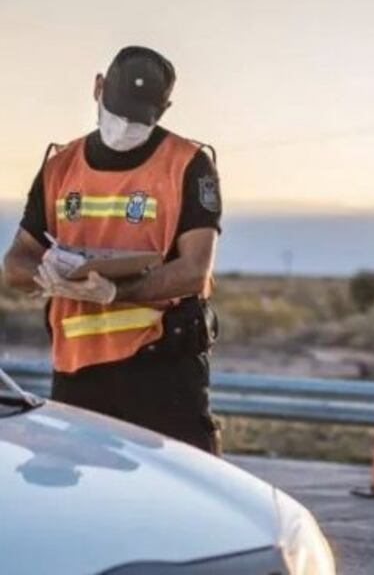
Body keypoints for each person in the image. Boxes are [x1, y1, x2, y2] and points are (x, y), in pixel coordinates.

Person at [2, 46, 223, 454]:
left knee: (182, 504)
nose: (123, 127)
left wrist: (116, 293)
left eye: (138, 119)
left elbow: (195, 270)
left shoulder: (187, 164)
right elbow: (16, 260)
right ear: (98, 87)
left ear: (165, 108)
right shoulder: (60, 165)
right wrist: (46, 276)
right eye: (116, 112)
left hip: (162, 370)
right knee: (84, 510)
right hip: (78, 374)